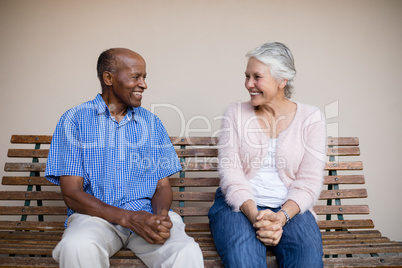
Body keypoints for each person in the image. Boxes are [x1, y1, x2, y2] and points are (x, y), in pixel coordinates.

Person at [45, 48, 204, 268]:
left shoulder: (151, 122)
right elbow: (72, 194)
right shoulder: (75, 120)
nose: (144, 84)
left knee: (185, 251)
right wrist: (129, 219)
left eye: (144, 77)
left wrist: (160, 216)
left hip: (147, 215)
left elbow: (162, 186)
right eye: (135, 77)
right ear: (108, 78)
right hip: (95, 219)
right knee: (77, 246)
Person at [208, 42, 326, 267]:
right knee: (243, 262)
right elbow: (231, 175)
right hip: (239, 207)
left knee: (307, 262)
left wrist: (281, 217)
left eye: (257, 77)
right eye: (247, 76)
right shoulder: (235, 113)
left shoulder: (312, 118)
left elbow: (309, 183)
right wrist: (256, 217)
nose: (248, 84)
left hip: (292, 208)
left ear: (283, 80)